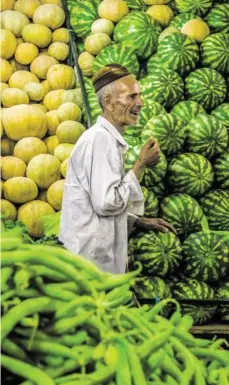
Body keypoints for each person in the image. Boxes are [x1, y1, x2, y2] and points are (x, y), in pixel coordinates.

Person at [59, 63, 175, 273]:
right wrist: (140, 165)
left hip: (92, 258)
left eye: (139, 95)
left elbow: (95, 204)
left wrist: (136, 222)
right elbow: (106, 204)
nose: (140, 102)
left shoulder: (105, 139)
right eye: (131, 97)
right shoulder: (100, 141)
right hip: (90, 264)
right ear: (109, 103)